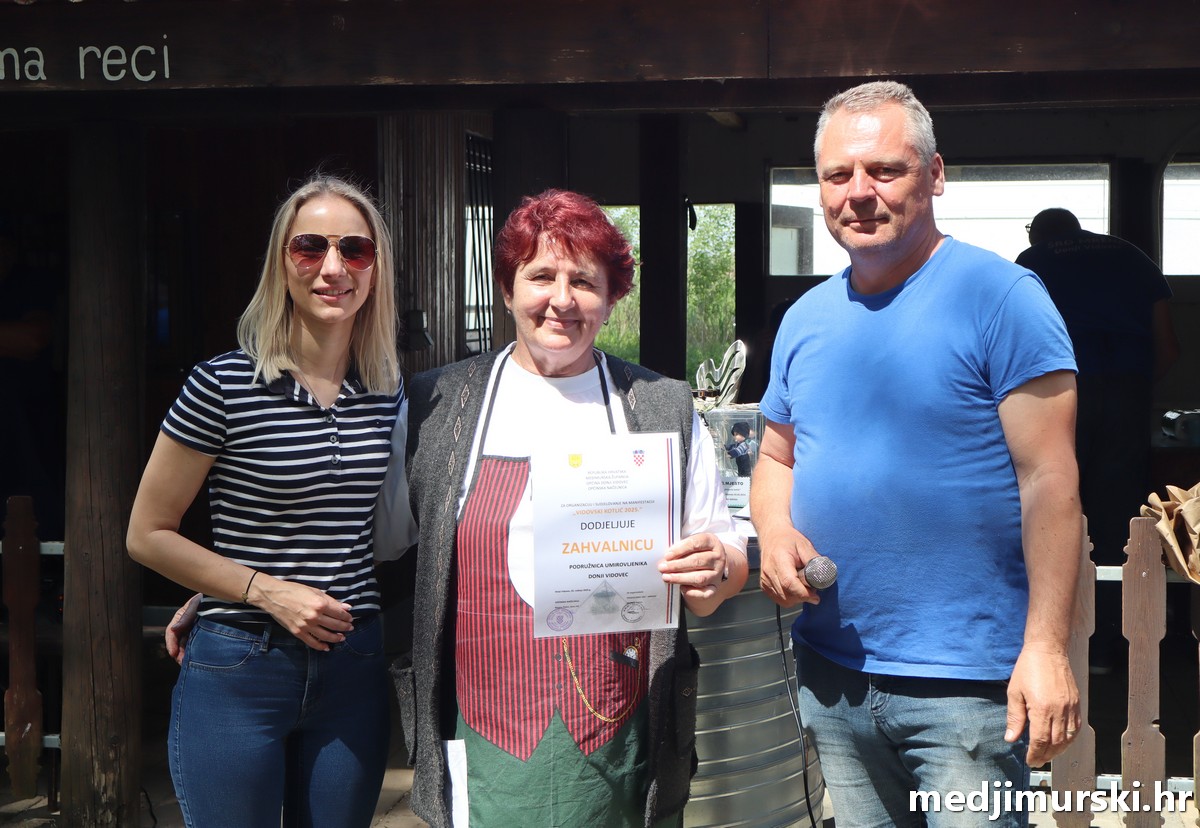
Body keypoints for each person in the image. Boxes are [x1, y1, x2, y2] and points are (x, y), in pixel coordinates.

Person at [751, 81, 1083, 827]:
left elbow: (1051, 482)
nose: (859, 193)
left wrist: (1046, 648)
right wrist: (773, 530)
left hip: (965, 689)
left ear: (934, 175)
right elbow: (775, 457)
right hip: (833, 674)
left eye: (885, 170)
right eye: (839, 174)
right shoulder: (804, 318)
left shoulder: (1002, 299)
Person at [393, 189, 749, 828]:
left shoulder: (661, 407)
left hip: (618, 724)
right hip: (484, 723)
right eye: (540, 276)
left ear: (611, 299)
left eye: (584, 281)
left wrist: (715, 567)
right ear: (507, 289)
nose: (561, 299)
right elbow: (387, 540)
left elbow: (723, 565)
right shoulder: (439, 403)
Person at [127, 174, 409, 828]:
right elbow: (146, 534)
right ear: (281, 264)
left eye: (354, 249)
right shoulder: (222, 384)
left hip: (352, 663)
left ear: (375, 270)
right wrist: (262, 591)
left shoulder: (389, 390)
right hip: (241, 665)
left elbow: (388, 530)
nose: (333, 268)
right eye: (310, 247)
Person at [1016, 208, 1180, 567]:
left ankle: (1058, 585)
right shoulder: (1135, 257)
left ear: (1036, 233)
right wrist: (1132, 389)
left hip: (1060, 390)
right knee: (1121, 504)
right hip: (1129, 388)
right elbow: (1168, 347)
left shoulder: (1031, 261)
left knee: (1055, 488)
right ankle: (1116, 591)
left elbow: (1017, 344)